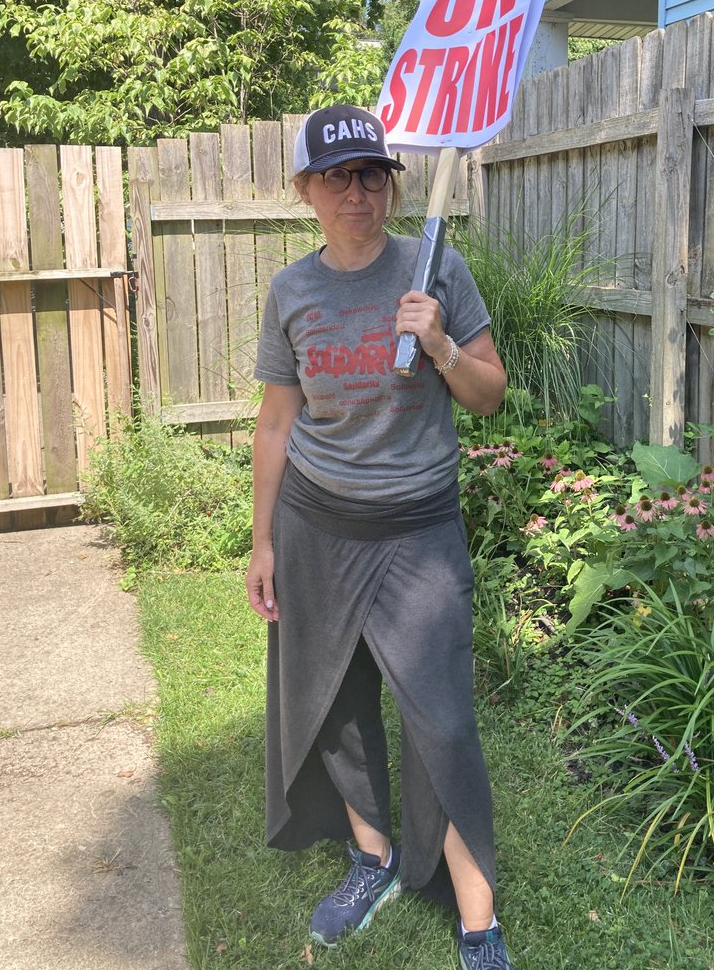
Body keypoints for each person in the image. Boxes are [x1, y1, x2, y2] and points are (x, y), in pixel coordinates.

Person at [245, 103, 515, 970]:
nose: (357, 191)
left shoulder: (437, 269)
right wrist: (263, 542)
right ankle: (374, 854)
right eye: (336, 177)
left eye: (372, 174)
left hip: (417, 530)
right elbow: (277, 425)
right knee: (332, 695)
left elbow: (489, 395)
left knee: (441, 716)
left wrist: (438, 342)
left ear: (392, 184)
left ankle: (478, 915)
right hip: (317, 525)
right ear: (305, 192)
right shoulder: (291, 291)